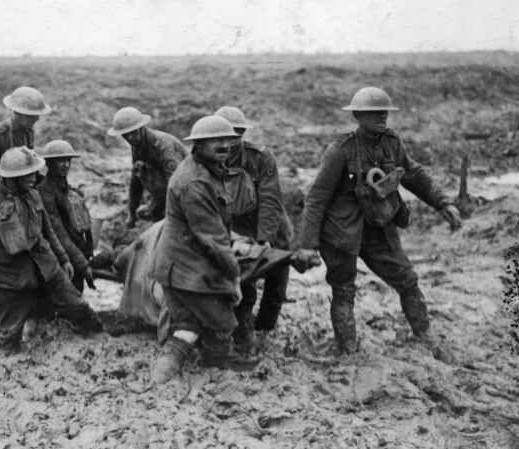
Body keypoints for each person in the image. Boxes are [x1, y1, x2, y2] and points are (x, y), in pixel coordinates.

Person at [298, 87, 462, 360]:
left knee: (408, 279)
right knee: (343, 290)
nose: (381, 117)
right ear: (358, 116)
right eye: (374, 113)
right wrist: (307, 245)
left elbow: (414, 175)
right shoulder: (340, 151)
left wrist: (443, 203)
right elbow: (315, 199)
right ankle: (348, 350)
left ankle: (424, 335)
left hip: (379, 227)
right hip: (341, 232)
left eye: (384, 112)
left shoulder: (392, 143)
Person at [149, 116, 260, 384]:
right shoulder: (194, 182)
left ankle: (159, 382)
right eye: (216, 141)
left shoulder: (209, 171)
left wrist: (235, 242)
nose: (224, 145)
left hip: (181, 264)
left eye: (227, 140)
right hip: (186, 269)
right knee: (224, 324)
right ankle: (216, 376)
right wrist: (233, 277)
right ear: (199, 144)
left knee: (187, 330)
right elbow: (212, 238)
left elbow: (216, 226)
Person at [0, 146, 102, 353]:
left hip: (48, 271)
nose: (34, 177)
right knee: (9, 343)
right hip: (11, 282)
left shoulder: (34, 195)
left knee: (81, 310)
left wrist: (64, 260)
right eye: (27, 174)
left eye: (33, 172)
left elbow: (49, 232)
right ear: (11, 178)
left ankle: (102, 344)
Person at [214, 106, 302, 352]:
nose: (230, 143)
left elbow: (270, 200)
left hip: (271, 224)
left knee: (276, 282)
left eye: (236, 136)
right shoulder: (208, 161)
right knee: (242, 280)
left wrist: (265, 240)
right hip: (236, 226)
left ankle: (265, 329)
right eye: (224, 137)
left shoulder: (261, 158)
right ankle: (243, 330)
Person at [107, 107, 188, 228]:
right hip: (164, 194)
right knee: (155, 218)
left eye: (133, 132)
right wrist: (132, 211)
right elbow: (136, 181)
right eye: (125, 134)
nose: (129, 138)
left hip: (186, 193)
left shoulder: (162, 146)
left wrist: (171, 215)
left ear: (141, 128)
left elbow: (176, 184)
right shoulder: (137, 146)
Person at [35, 140, 96, 293]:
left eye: (68, 160)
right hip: (60, 259)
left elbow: (84, 228)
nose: (66, 165)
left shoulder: (70, 191)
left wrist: (88, 255)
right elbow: (57, 232)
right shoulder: (45, 192)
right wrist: (82, 263)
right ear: (48, 163)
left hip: (75, 254)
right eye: (60, 160)